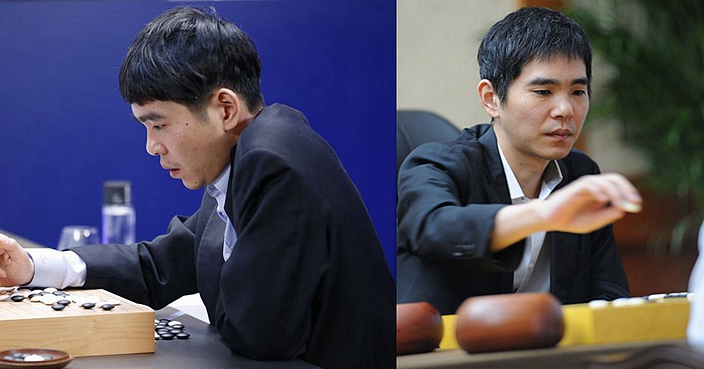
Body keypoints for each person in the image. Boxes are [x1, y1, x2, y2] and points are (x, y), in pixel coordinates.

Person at [0, 6, 395, 369]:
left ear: (224, 109)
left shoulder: (271, 163)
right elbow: (161, 265)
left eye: (159, 125)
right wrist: (33, 266)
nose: (153, 147)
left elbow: (258, 336)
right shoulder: (248, 152)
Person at [396, 6, 642, 315]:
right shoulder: (435, 165)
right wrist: (546, 213)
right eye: (543, 91)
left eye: (578, 91)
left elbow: (609, 297)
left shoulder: (581, 175)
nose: (565, 109)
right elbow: (436, 228)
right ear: (491, 98)